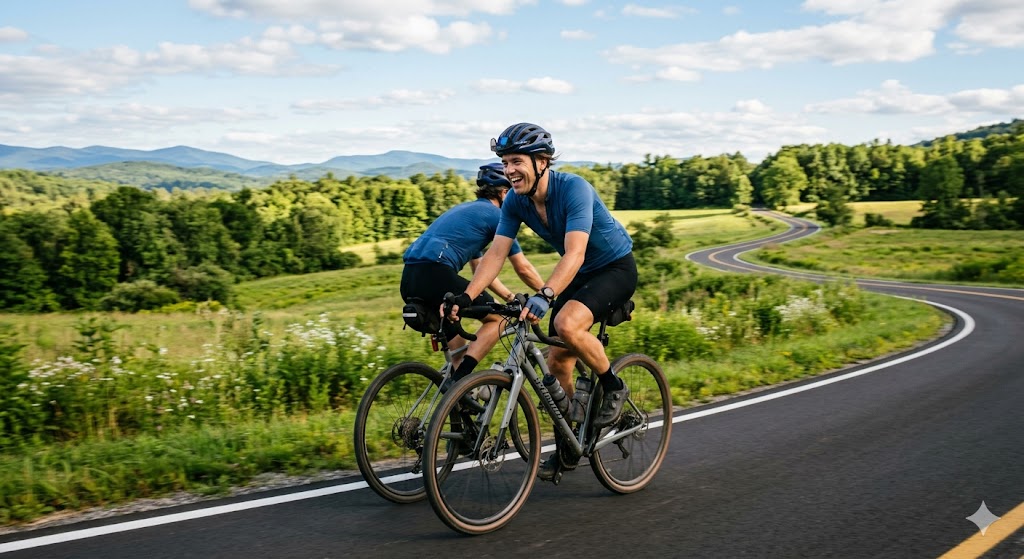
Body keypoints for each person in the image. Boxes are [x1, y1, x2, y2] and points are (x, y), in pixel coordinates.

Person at [444, 123, 637, 480]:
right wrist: (467, 296)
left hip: (613, 267)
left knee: (566, 324)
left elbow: (576, 252)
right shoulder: (516, 201)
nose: (510, 170)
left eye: (517, 161)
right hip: (578, 273)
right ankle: (570, 439)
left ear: (542, 161)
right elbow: (496, 254)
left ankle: (613, 385)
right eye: (505, 163)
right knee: (557, 358)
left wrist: (546, 294)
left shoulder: (574, 189)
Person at [401, 162, 544, 390]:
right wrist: (549, 293)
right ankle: (461, 385)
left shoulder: (469, 212)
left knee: (457, 336)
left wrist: (508, 297)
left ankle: (458, 399)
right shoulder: (497, 216)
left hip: (410, 279)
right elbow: (523, 267)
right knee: (497, 320)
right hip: (436, 274)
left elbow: (481, 272)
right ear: (505, 193)